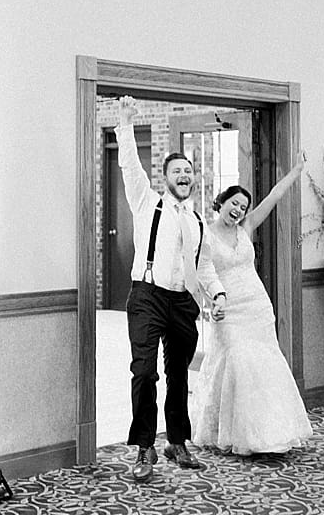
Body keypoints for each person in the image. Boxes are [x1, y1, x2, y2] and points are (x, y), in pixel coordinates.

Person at [116, 95, 228, 482]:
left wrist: (218, 294)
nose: (184, 175)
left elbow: (206, 265)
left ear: (193, 178)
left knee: (180, 373)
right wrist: (126, 122)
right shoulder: (147, 203)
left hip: (182, 302)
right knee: (144, 373)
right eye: (177, 170)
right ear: (166, 178)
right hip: (147, 296)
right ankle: (145, 447)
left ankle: (176, 441)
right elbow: (130, 165)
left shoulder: (198, 221)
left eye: (189, 171)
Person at [189, 159, 314, 455]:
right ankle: (229, 430)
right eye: (234, 203)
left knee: (263, 365)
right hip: (228, 308)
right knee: (235, 361)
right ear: (221, 203)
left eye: (243, 207)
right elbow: (201, 272)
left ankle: (269, 431)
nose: (239, 210)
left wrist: (294, 172)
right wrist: (210, 304)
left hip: (257, 306)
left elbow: (273, 196)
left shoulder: (246, 227)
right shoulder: (204, 234)